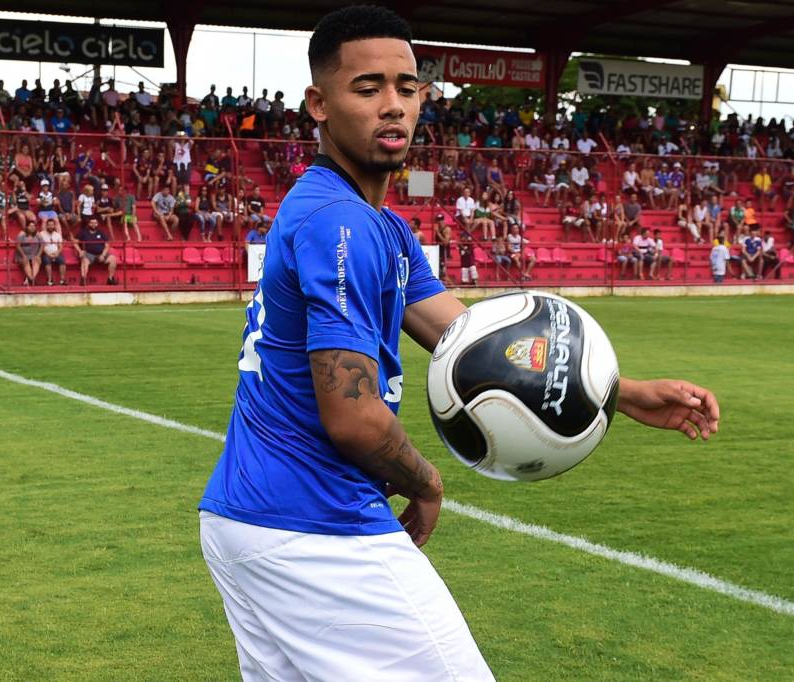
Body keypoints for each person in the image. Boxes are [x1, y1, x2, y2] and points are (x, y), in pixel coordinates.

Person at [198, 9, 720, 682]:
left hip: (247, 521)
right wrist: (428, 481)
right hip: (314, 526)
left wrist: (621, 393)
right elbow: (354, 419)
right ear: (319, 105)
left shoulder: (371, 223)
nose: (392, 105)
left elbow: (472, 341)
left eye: (406, 86)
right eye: (367, 88)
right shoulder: (342, 224)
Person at [74, 217, 118, 285]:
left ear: (97, 224)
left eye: (95, 223)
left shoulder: (101, 232)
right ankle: (83, 279)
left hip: (101, 254)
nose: (93, 224)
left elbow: (107, 245)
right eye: (92, 223)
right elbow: (75, 242)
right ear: (89, 224)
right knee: (84, 260)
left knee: (113, 259)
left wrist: (103, 255)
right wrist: (80, 251)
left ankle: (110, 278)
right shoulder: (83, 232)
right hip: (89, 254)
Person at [39, 218, 67, 285]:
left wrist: (57, 252)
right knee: (47, 261)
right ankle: (50, 280)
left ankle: (62, 280)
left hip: (56, 252)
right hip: (46, 253)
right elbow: (41, 246)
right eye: (49, 225)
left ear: (54, 226)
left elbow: (60, 246)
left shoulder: (57, 235)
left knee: (62, 260)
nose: (51, 226)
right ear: (46, 226)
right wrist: (48, 254)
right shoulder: (41, 234)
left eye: (52, 225)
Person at [15, 220, 42, 286]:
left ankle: (31, 279)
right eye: (30, 226)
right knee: (25, 261)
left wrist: (38, 255)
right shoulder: (22, 234)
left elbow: (42, 245)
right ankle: (32, 279)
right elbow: (17, 246)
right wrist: (23, 255)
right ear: (27, 227)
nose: (32, 227)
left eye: (34, 226)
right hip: (23, 255)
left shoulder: (37, 235)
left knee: (36, 260)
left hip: (34, 255)